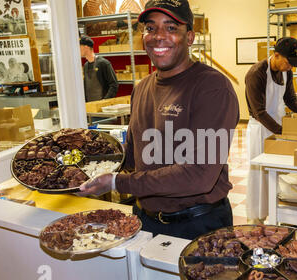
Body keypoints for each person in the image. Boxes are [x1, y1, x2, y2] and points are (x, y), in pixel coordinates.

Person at [78, 0, 240, 240]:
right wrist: (85, 163)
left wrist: (116, 182)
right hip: (145, 221)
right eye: (151, 28)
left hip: (197, 225)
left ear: (190, 37)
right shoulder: (141, 89)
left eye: (171, 28)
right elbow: (133, 156)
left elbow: (200, 174)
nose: (158, 36)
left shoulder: (212, 87)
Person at [244, 37, 297, 223]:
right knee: (260, 174)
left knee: (277, 173)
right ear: (276, 55)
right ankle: (256, 218)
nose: (290, 67)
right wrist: (283, 132)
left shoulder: (286, 73)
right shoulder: (256, 73)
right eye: (288, 62)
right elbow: (259, 112)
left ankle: (277, 214)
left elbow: (290, 99)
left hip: (277, 127)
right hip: (260, 129)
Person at [80, 35, 119, 102]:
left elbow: (114, 85)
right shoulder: (86, 66)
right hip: (90, 105)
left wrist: (105, 100)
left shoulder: (103, 63)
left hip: (102, 106)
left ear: (86, 47)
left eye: (79, 47)